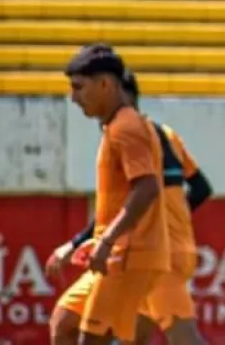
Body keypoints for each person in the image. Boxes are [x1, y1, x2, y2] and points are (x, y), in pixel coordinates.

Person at [47, 70, 212, 345]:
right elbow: (200, 188)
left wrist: (79, 242)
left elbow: (139, 198)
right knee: (69, 324)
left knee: (184, 338)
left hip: (153, 252)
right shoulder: (165, 135)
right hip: (141, 249)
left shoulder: (133, 136)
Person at [50, 44, 170, 345]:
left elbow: (146, 188)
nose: (73, 98)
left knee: (92, 339)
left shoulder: (126, 127)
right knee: (64, 323)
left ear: (105, 84)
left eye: (79, 87)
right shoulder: (117, 126)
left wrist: (107, 240)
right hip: (117, 252)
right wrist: (92, 240)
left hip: (128, 255)